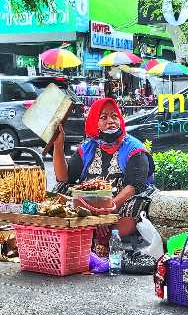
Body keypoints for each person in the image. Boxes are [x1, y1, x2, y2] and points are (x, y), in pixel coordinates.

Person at [53, 97, 155, 243]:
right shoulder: (88, 148)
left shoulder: (134, 149)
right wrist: (58, 145)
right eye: (104, 117)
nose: (111, 121)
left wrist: (108, 212)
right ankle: (88, 231)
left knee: (137, 205)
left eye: (115, 116)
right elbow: (64, 178)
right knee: (60, 189)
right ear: (95, 122)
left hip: (118, 206)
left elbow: (134, 186)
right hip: (89, 207)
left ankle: (100, 236)